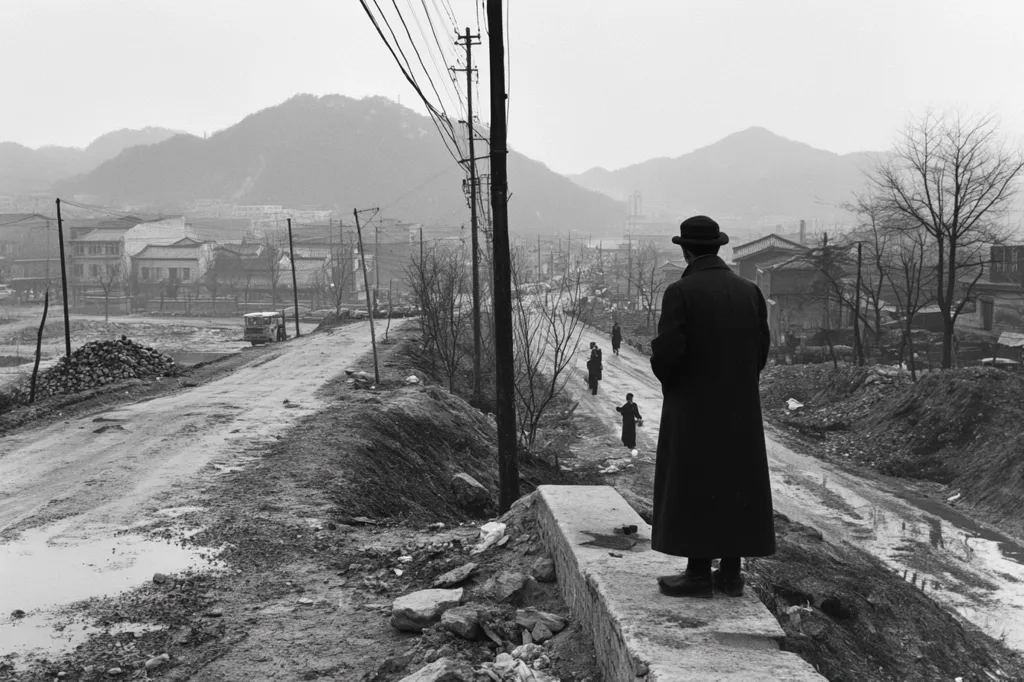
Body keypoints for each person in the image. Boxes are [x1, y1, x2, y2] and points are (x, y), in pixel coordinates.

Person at [649, 215, 775, 599]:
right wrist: (738, 383)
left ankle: (699, 572)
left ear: (685, 250)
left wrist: (675, 383)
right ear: (718, 247)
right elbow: (761, 350)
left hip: (694, 407)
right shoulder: (749, 291)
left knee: (695, 481)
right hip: (740, 406)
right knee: (735, 481)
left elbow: (668, 353)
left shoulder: (681, 292)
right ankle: (732, 574)